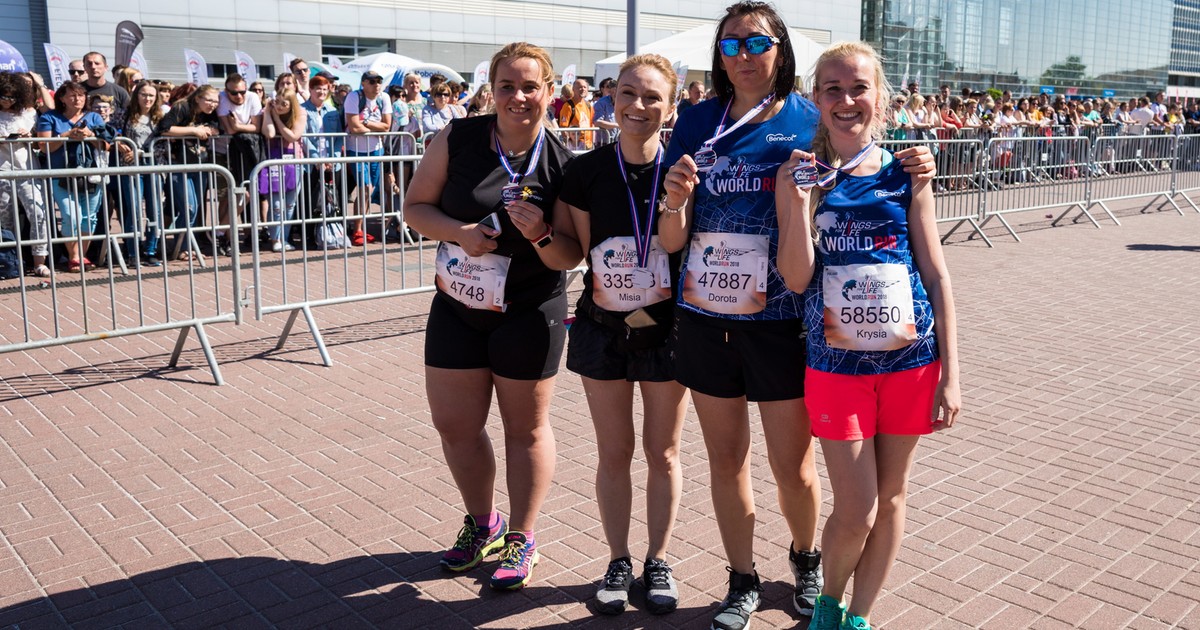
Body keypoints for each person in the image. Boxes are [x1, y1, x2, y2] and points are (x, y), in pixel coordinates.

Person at [659, 4, 935, 629]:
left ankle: (807, 560)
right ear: (719, 54)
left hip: (787, 322)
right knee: (726, 461)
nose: (744, 54)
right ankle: (741, 579)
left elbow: (864, 158)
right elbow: (672, 237)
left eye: (758, 42)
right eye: (731, 44)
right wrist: (675, 201)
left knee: (793, 466)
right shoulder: (696, 121)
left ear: (779, 50)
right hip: (707, 314)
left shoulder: (811, 117)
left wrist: (917, 166)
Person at [772, 40, 961, 630]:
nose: (847, 99)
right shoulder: (799, 173)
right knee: (857, 507)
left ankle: (859, 615)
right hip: (836, 368)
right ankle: (828, 601)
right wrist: (801, 202)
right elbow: (798, 277)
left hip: (911, 363)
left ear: (878, 97)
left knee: (894, 498)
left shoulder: (909, 171)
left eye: (859, 88)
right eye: (833, 88)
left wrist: (953, 374)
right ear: (816, 98)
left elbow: (935, 272)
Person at [403, 41, 582, 592]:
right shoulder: (457, 137)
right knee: (455, 425)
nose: (518, 97)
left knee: (525, 430)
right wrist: (457, 232)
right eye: (507, 85)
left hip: (529, 310)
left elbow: (571, 255)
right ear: (492, 89)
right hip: (459, 305)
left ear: (549, 93)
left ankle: (523, 535)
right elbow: (415, 207)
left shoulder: (563, 164)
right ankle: (483, 522)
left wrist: (542, 234)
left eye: (531, 87)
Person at [558, 54, 686, 616]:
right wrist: (539, 236)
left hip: (668, 330)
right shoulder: (584, 171)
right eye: (628, 93)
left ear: (671, 106)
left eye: (652, 96)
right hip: (603, 326)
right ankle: (617, 559)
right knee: (615, 452)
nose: (638, 106)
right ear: (611, 98)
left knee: (663, 451)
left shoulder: (685, 170)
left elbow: (680, 247)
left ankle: (658, 558)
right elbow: (578, 253)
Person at [36, 81, 109, 272]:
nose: (78, 99)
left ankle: (80, 257)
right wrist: (67, 134)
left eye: (81, 95)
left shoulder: (94, 117)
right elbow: (43, 146)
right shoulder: (49, 117)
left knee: (89, 218)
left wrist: (90, 135)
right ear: (61, 98)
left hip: (91, 176)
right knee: (70, 216)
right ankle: (74, 256)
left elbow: (106, 145)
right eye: (72, 95)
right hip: (61, 175)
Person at [154, 85, 221, 259]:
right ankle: (181, 246)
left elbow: (216, 129)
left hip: (201, 163)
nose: (212, 104)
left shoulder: (211, 112)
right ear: (198, 98)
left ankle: (186, 245)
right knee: (188, 207)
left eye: (215, 101)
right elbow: (164, 128)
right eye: (209, 100)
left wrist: (211, 131)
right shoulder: (182, 107)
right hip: (179, 164)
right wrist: (194, 130)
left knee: (196, 208)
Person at [0, 72, 52, 277]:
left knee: (38, 213)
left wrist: (29, 136)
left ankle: (40, 260)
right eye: (3, 96)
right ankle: (13, 259)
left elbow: (51, 109)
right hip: (2, 172)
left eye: (11, 97)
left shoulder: (29, 112)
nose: (7, 101)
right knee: (6, 219)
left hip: (28, 169)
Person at [116, 79, 164, 266]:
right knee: (134, 210)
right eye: (144, 94)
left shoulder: (160, 116)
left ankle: (151, 249)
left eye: (151, 95)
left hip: (155, 166)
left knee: (155, 210)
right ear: (137, 95)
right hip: (131, 168)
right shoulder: (125, 114)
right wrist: (120, 144)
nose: (148, 98)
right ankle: (133, 252)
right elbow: (109, 131)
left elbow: (169, 133)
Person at [343, 70, 391, 246]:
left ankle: (361, 227)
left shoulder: (383, 98)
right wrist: (371, 127)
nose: (376, 84)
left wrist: (366, 123)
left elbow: (387, 126)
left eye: (379, 81)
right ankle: (357, 230)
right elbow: (354, 127)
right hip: (356, 149)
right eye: (372, 81)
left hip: (376, 150)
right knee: (365, 187)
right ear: (363, 83)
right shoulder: (354, 97)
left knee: (369, 191)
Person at [260, 88, 305, 252]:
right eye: (277, 102)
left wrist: (278, 118)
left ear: (291, 104)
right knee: (277, 205)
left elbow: (293, 136)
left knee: (290, 205)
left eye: (284, 104)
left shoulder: (300, 114)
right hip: (273, 163)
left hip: (294, 163)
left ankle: (284, 238)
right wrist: (268, 112)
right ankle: (275, 239)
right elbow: (270, 133)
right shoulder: (269, 112)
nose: (279, 106)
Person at [81, 52, 130, 123]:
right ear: (84, 67)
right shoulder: (77, 91)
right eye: (89, 63)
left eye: (97, 63)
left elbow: (128, 116)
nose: (93, 67)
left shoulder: (119, 92)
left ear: (106, 67)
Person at [558, 78, 594, 150]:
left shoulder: (589, 106)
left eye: (585, 87)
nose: (583, 89)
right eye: (580, 87)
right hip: (575, 147)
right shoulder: (568, 106)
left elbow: (592, 125)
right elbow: (563, 128)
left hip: (588, 146)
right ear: (573, 90)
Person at [591, 77, 617, 145]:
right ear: (610, 92)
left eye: (617, 92)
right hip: (604, 142)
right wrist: (617, 125)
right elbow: (597, 122)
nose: (615, 94)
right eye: (613, 91)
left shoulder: (623, 102)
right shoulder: (601, 103)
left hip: (619, 141)